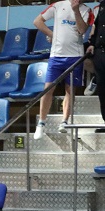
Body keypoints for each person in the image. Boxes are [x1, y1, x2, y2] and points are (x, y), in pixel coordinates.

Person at [33, 0, 94, 140]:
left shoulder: (87, 10)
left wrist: (76, 10)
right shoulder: (57, 5)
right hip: (56, 56)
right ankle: (41, 123)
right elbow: (37, 21)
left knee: (70, 90)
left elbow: (82, 30)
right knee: (48, 89)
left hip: (75, 56)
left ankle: (64, 121)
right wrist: (53, 35)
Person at [86, 1, 105, 130]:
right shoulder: (102, 5)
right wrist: (92, 43)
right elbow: (97, 25)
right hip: (100, 51)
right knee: (102, 89)